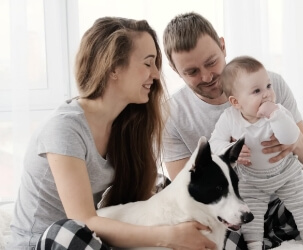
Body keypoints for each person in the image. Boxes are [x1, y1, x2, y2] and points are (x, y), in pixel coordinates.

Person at [162, 12, 303, 249]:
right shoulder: (171, 114)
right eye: (192, 72)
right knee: (207, 235)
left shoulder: (269, 85)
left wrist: (293, 142)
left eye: (211, 62)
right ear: (174, 69)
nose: (207, 76)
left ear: (223, 46)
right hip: (230, 217)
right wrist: (223, 160)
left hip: (284, 200)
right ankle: (265, 237)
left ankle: (263, 240)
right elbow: (186, 197)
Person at [8, 17, 217, 250]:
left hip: (92, 240)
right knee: (71, 231)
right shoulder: (65, 129)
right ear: (114, 67)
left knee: (163, 187)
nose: (156, 74)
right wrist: (169, 236)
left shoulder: (126, 126)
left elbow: (141, 200)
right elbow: (84, 221)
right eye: (148, 63)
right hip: (48, 242)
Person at [209, 56, 303, 250]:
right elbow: (214, 143)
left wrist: (276, 116)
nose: (267, 95)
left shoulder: (279, 112)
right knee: (251, 214)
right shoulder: (229, 118)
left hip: (285, 172)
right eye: (256, 91)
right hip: (252, 179)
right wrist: (230, 151)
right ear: (236, 102)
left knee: (302, 204)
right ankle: (255, 245)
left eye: (268, 86)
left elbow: (290, 137)